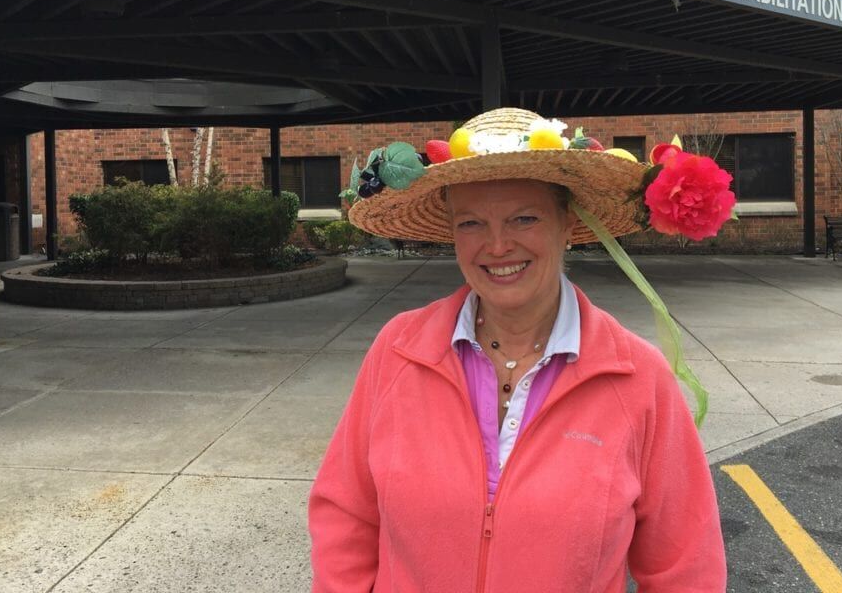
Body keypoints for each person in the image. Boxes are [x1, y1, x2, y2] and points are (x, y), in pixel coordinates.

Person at [308, 108, 731, 592]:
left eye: (523, 217)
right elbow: (346, 514)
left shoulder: (638, 378)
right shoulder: (399, 350)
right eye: (470, 223)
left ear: (567, 223)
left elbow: (686, 566)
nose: (497, 244)